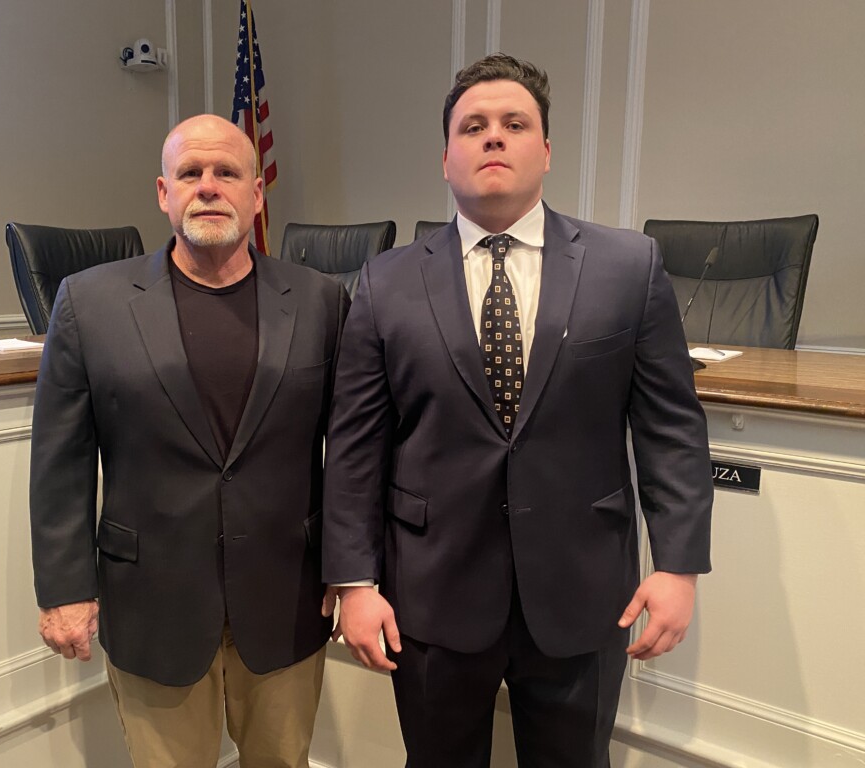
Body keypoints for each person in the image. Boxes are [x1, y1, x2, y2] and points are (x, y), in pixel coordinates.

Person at [323, 54, 712, 768]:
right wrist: (353, 581)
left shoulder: (630, 267)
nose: (493, 138)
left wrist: (679, 566)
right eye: (473, 127)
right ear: (446, 157)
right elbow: (355, 445)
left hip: (583, 589)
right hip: (431, 594)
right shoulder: (384, 281)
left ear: (546, 150)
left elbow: (672, 428)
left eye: (513, 124)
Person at [30, 114, 349, 768]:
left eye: (227, 173)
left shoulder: (321, 301)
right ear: (163, 192)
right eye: (190, 174)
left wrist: (354, 570)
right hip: (152, 604)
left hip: (286, 599)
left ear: (256, 194)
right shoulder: (89, 304)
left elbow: (349, 453)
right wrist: (63, 589)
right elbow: (59, 460)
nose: (208, 187)